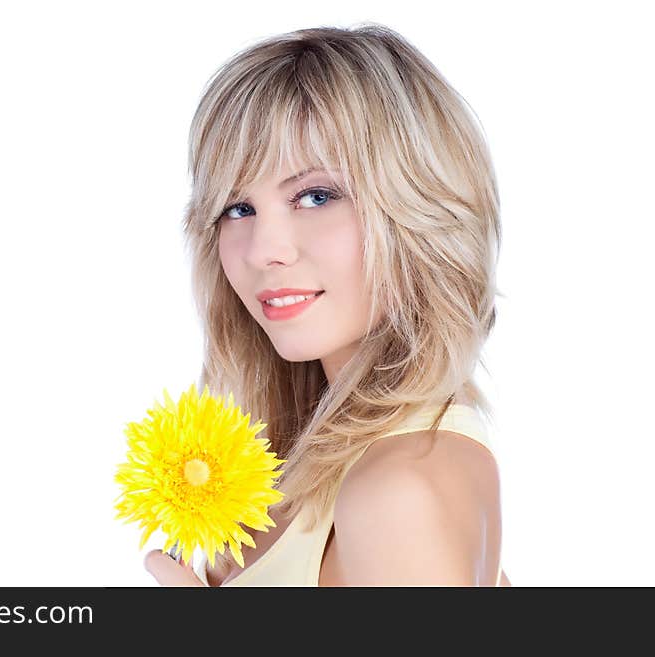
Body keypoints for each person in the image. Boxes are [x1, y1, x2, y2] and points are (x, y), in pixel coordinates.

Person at [144, 21, 512, 586]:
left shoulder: (399, 489)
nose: (265, 250)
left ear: (417, 206)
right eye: (237, 208)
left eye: (316, 196)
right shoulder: (321, 468)